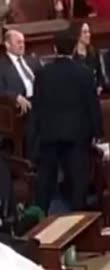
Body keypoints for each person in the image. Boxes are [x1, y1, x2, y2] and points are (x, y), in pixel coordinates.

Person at [33, 29, 103, 213]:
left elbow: (37, 108)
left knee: (45, 183)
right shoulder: (85, 73)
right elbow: (92, 106)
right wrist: (97, 133)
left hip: (49, 136)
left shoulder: (42, 73)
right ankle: (78, 221)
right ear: (73, 48)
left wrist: (34, 138)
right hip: (77, 136)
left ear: (55, 48)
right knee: (78, 183)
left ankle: (39, 221)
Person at [0, 30, 41, 159]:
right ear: (7, 45)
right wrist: (15, 97)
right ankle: (31, 165)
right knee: (33, 120)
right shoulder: (1, 65)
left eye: (23, 42)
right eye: (18, 42)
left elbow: (45, 80)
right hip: (16, 108)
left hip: (39, 100)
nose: (22, 45)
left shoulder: (32, 60)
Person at [70, 22, 104, 90]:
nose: (88, 34)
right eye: (85, 32)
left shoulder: (94, 52)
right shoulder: (71, 55)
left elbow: (99, 75)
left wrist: (100, 86)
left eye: (89, 32)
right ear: (78, 35)